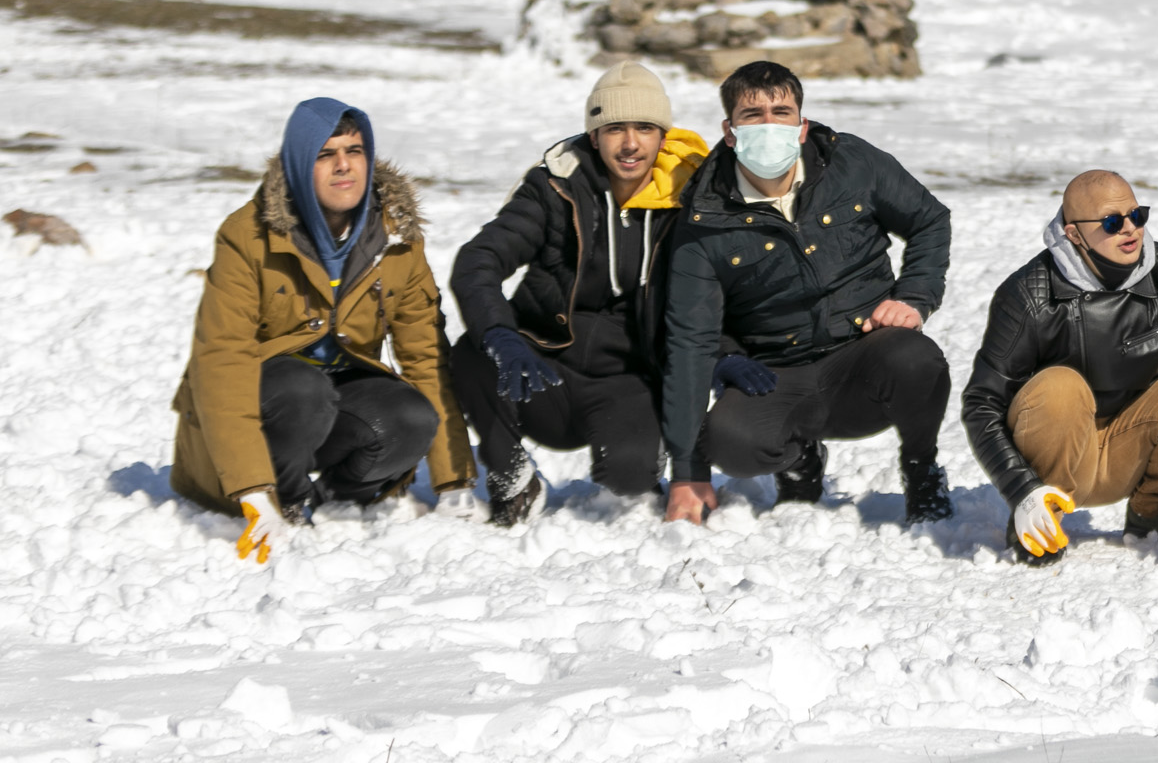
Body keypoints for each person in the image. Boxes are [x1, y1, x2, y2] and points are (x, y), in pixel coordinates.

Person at [171, 98, 473, 563]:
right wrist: (252, 492)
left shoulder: (396, 238)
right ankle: (283, 499)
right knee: (301, 388)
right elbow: (222, 361)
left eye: (354, 151)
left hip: (334, 401)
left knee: (411, 416)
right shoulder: (246, 236)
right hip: (263, 404)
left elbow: (425, 356)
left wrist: (454, 481)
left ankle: (337, 496)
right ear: (298, 165)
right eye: (325, 155)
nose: (343, 166)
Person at [659, 60, 954, 525]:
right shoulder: (704, 215)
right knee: (731, 442)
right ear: (730, 132)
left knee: (918, 361)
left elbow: (930, 220)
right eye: (752, 115)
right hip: (777, 370)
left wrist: (914, 297)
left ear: (801, 126)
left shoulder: (851, 162)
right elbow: (690, 336)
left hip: (864, 352)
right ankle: (799, 462)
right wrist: (688, 471)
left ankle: (922, 469)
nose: (769, 125)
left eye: (782, 112)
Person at [447, 64, 709, 525]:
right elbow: (478, 262)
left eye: (645, 128)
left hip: (629, 378)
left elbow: (718, 292)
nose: (630, 143)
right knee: (474, 352)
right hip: (541, 368)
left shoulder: (689, 198)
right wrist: (503, 337)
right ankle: (511, 478)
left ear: (663, 136)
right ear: (594, 136)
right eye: (615, 129)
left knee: (629, 480)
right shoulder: (553, 187)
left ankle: (643, 458)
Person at [961, 170, 1158, 564]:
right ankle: (1041, 522)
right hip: (1057, 453)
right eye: (1111, 222)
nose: (1130, 229)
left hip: (1128, 446)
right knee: (1060, 385)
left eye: (1137, 215)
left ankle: (1151, 514)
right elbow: (982, 404)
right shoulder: (1028, 295)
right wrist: (1022, 491)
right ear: (1074, 234)